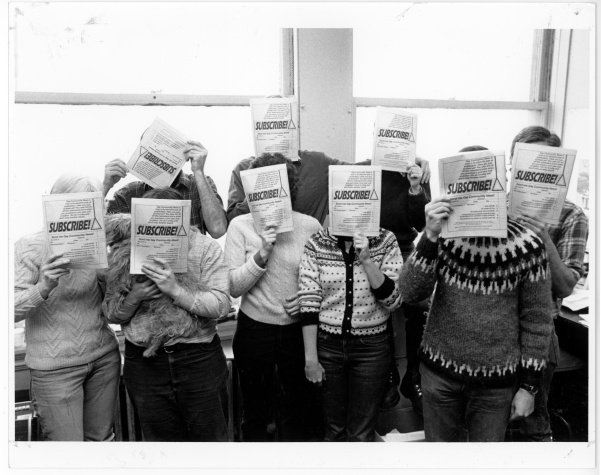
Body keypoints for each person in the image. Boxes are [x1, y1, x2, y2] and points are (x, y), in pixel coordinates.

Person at [398, 195, 554, 442]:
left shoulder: (528, 246)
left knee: (485, 464)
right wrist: (429, 236)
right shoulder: (444, 234)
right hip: (439, 376)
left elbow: (537, 321)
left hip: (495, 384)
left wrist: (529, 388)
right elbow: (410, 292)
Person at [102, 187, 231, 442]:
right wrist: (135, 296)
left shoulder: (205, 248)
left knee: (211, 445)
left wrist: (175, 290)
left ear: (183, 218)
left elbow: (220, 305)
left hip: (198, 360)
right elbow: (111, 314)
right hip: (146, 363)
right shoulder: (125, 250)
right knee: (161, 450)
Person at [14, 174, 120, 441]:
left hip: (103, 356)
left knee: (102, 444)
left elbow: (111, 305)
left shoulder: (97, 245)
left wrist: (109, 274)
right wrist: (44, 286)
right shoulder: (29, 246)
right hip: (54, 368)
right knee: (69, 456)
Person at [224, 153, 323, 441]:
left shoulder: (309, 226)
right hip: (255, 330)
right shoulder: (239, 226)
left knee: (299, 413)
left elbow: (324, 282)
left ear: (289, 188)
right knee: (256, 415)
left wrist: (307, 298)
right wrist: (262, 254)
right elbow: (232, 287)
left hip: (298, 331)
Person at [509, 126, 589, 441]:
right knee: (488, 422)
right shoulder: (493, 208)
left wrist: (542, 234)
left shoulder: (571, 214)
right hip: (491, 332)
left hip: (538, 334)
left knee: (531, 422)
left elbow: (566, 286)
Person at [299, 227, 403, 442]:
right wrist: (310, 359)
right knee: (333, 431)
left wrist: (366, 259)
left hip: (371, 349)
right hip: (328, 346)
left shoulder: (385, 240)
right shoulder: (317, 242)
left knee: (361, 434)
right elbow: (309, 301)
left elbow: (393, 301)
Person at [354, 159, 431, 411]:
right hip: (373, 248)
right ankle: (387, 373)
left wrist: (416, 186)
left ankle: (413, 375)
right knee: (376, 301)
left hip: (405, 246)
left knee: (420, 305)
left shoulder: (415, 170)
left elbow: (421, 224)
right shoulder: (361, 168)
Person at [227, 151, 431, 225]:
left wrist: (405, 159)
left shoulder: (316, 162)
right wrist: (258, 189)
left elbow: (359, 170)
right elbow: (231, 222)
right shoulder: (243, 168)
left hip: (306, 256)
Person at [104, 138, 227, 238]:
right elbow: (98, 233)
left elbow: (218, 230)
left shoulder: (198, 185)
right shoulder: (129, 193)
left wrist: (199, 171)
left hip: (190, 265)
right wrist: (105, 186)